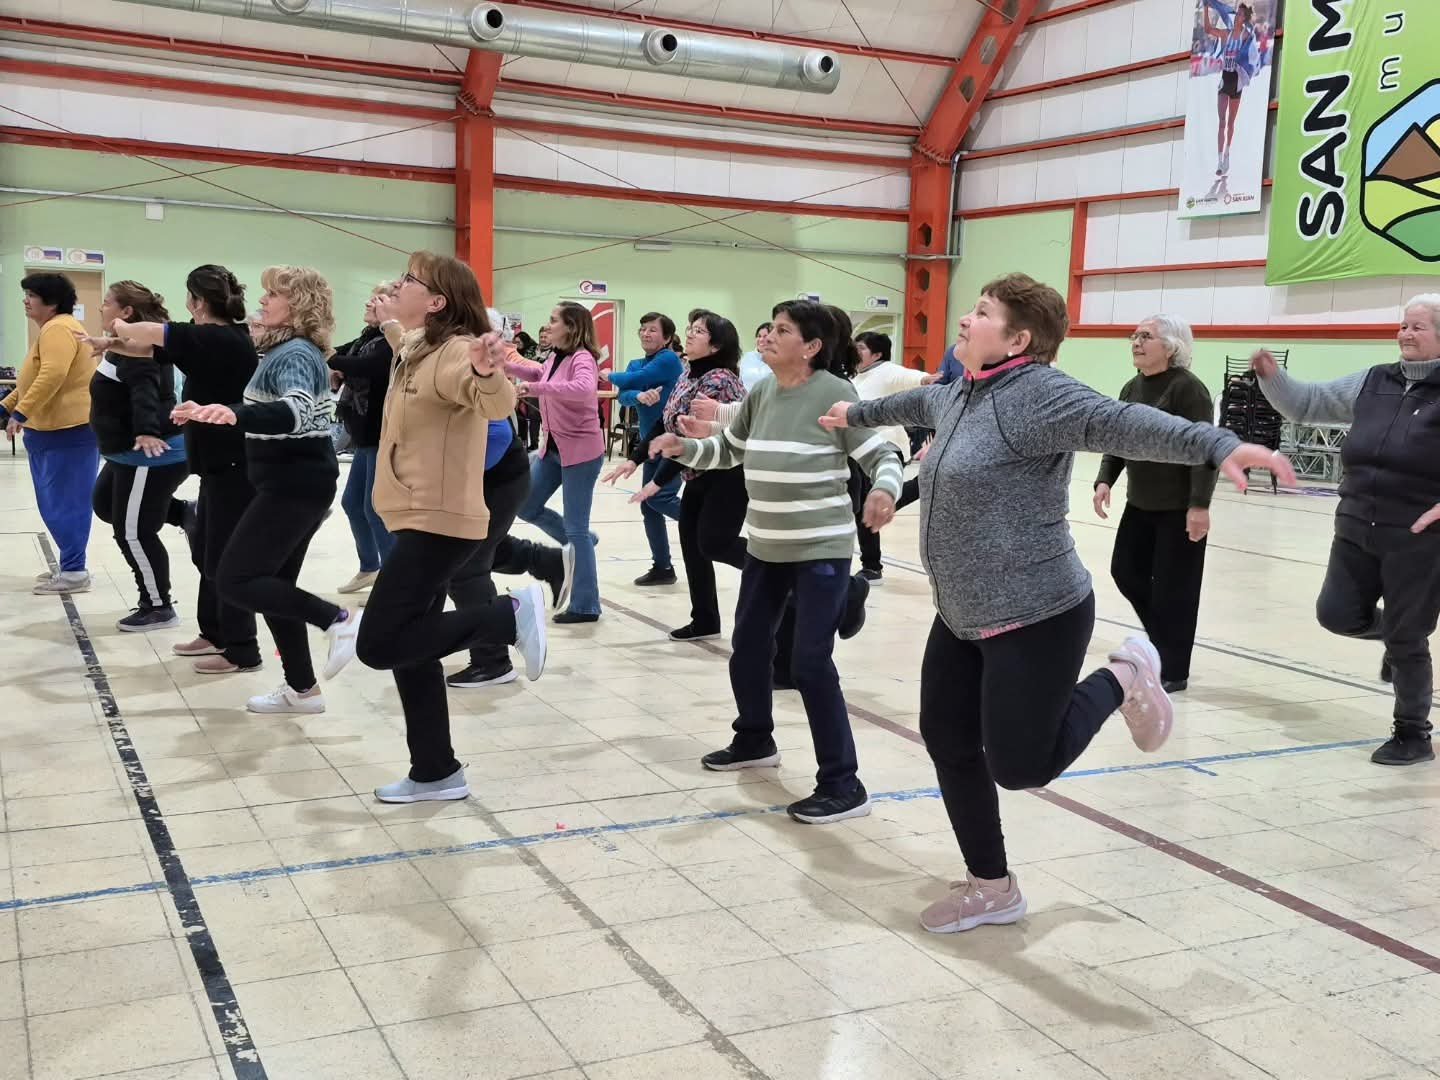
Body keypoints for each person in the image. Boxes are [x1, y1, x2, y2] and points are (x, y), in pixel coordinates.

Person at [822, 272, 1292, 930]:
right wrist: (852, 415)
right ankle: (993, 886)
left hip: (1035, 610)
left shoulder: (1040, 395)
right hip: (961, 610)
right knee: (949, 740)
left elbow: (1125, 423)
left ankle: (1124, 674)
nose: (964, 320)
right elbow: (912, 409)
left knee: (1022, 766)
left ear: (1018, 338)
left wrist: (1220, 445)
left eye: (980, 312)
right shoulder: (961, 391)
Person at [652, 300, 904, 825]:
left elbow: (882, 454)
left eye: (782, 331)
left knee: (810, 663)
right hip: (766, 546)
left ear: (810, 347)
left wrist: (883, 491)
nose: (766, 336)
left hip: (821, 551)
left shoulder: (835, 394)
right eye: (768, 328)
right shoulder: (764, 391)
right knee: (747, 649)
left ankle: (843, 783)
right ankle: (754, 738)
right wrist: (681, 449)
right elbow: (729, 450)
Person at [355, 252, 548, 803]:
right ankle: (435, 771)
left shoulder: (458, 352)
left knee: (380, 642)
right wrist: (388, 316)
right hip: (415, 515)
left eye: (410, 281)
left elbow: (494, 397)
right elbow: (399, 341)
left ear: (438, 301)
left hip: (436, 521)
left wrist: (490, 370)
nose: (399, 284)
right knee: (411, 650)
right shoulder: (419, 347)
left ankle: (507, 618)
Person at [1253, 294, 1440, 766]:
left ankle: (1413, 734)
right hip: (1356, 525)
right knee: (1336, 614)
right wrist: (1272, 378)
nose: (1405, 334)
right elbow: (1307, 403)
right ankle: (1392, 641)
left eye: (1418, 327)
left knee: (1408, 636)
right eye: (1403, 325)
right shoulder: (1373, 380)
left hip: (1418, 537)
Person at [169, 266, 356, 714]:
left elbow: (294, 411)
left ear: (299, 305)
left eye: (274, 294)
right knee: (272, 585)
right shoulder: (281, 350)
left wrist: (234, 415)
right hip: (288, 480)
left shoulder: (294, 353)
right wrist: (211, 409)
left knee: (236, 577)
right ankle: (302, 690)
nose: (263, 301)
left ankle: (338, 620)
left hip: (296, 483)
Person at [109, 265, 261, 674]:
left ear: (197, 301)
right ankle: (214, 633)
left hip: (235, 465)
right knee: (207, 553)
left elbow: (143, 334)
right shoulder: (211, 338)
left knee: (226, 559)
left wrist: (116, 328)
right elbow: (145, 349)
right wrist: (103, 340)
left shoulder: (218, 336)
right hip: (215, 465)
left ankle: (242, 648)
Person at [604, 311, 749, 641]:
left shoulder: (720, 381)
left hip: (726, 475)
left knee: (714, 543)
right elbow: (667, 423)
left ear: (716, 345)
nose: (691, 335)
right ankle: (705, 620)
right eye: (691, 329)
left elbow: (693, 439)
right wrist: (635, 460)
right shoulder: (688, 372)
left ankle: (779, 572)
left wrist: (656, 481)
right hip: (697, 473)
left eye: (699, 331)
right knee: (693, 547)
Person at [1093, 315, 1216, 693]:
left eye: (1146, 336)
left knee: (1174, 590)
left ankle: (1172, 669)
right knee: (1125, 571)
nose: (1136, 341)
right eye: (1135, 335)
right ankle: (1162, 642)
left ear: (1172, 346)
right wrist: (1105, 478)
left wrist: (1199, 505)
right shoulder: (1131, 387)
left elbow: (1203, 449)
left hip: (1178, 508)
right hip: (1140, 502)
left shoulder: (1188, 390)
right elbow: (1117, 436)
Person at [80, 281, 190, 632]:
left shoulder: (138, 349)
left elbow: (145, 387)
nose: (101, 307)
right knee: (105, 504)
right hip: (125, 454)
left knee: (133, 531)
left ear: (126, 312)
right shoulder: (131, 342)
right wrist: (106, 342)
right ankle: (188, 513)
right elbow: (131, 354)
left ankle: (158, 605)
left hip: (149, 453)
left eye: (108, 302)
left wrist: (147, 431)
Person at [506, 303, 604, 624]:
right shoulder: (555, 356)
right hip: (553, 449)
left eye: (553, 321)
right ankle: (583, 543)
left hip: (581, 453)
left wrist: (534, 388)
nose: (547, 326)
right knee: (526, 506)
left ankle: (586, 605)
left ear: (572, 327)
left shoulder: (582, 358)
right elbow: (537, 372)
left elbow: (583, 388)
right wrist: (507, 363)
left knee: (576, 528)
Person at [2, 273, 98, 594]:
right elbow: (32, 380)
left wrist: (20, 413)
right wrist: (6, 407)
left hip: (68, 432)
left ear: (52, 302)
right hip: (51, 432)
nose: (26, 300)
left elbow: (52, 375)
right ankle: (71, 564)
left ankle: (74, 572)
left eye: (32, 295)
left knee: (66, 503)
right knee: (55, 502)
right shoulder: (53, 329)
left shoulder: (58, 329)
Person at [330, 283, 397, 596]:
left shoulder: (390, 343)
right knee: (352, 504)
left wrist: (336, 362)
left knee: (374, 509)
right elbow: (344, 354)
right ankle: (370, 566)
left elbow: (369, 366)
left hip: (380, 434)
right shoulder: (366, 338)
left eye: (379, 298)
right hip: (364, 435)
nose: (370, 302)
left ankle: (395, 577)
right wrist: (335, 361)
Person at [607, 312, 684, 586]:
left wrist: (605, 373)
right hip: (649, 444)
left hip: (673, 440)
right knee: (649, 507)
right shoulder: (636, 364)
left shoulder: (668, 360)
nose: (646, 333)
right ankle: (662, 567)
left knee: (660, 498)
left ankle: (703, 523)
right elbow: (624, 394)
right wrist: (638, 395)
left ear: (667, 338)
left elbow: (631, 380)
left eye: (653, 330)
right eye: (642, 329)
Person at [850, 330, 924, 583]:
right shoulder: (857, 376)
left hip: (886, 447)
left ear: (877, 354)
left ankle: (872, 567)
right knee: (864, 506)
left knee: (866, 507)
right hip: (861, 450)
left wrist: (928, 379)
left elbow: (909, 376)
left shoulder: (887, 371)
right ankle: (916, 487)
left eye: (861, 347)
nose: (856, 351)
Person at [1202, 0, 1258, 177]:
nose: (1237, 17)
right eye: (1237, 14)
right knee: (1221, 122)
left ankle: (1227, 153)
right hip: (1225, 79)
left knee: (1231, 123)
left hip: (1237, 80)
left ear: (1244, 19)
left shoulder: (1245, 36)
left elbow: (1252, 52)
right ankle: (1219, 161)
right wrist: (1205, 8)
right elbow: (1209, 30)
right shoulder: (1226, 34)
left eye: (1241, 15)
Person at [739, 321, 772, 390]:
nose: (761, 339)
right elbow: (740, 381)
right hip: (745, 398)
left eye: (765, 336)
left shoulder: (778, 359)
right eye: (759, 336)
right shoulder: (747, 357)